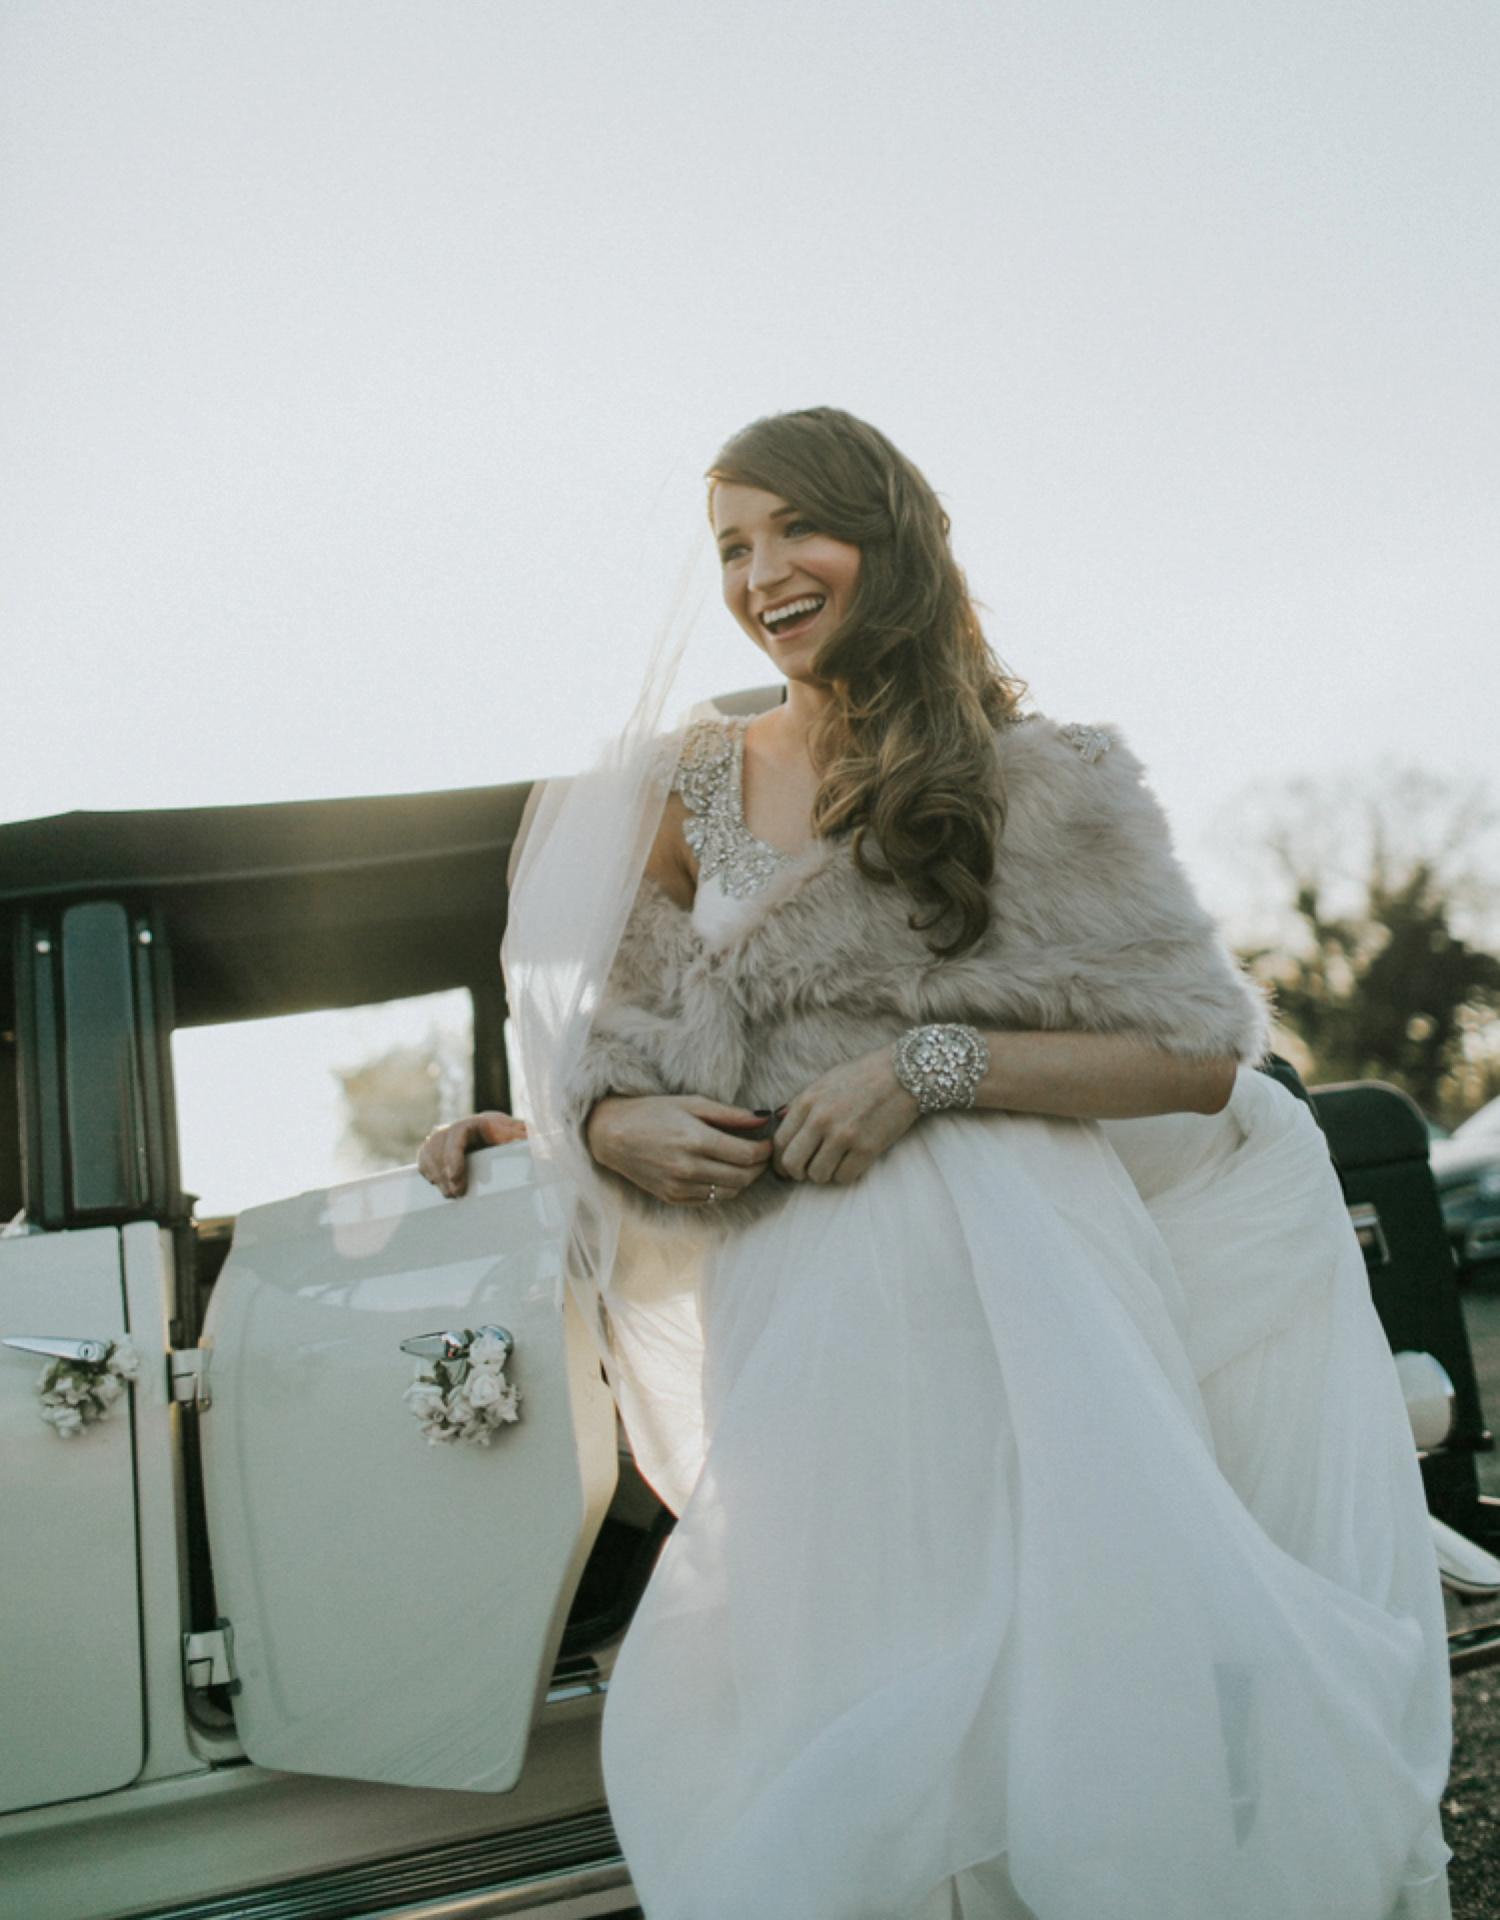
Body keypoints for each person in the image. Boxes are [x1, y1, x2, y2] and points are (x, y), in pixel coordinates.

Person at [420, 408, 1451, 1920]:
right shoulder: (689, 788)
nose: (760, 571)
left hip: (1041, 1289)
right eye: (729, 547)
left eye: (792, 531)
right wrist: (585, 1126)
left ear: (886, 536)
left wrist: (930, 1067)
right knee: (839, 1683)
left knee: (1081, 1679)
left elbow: (1195, 1052)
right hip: (807, 1311)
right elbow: (638, 1053)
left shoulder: (1049, 774)